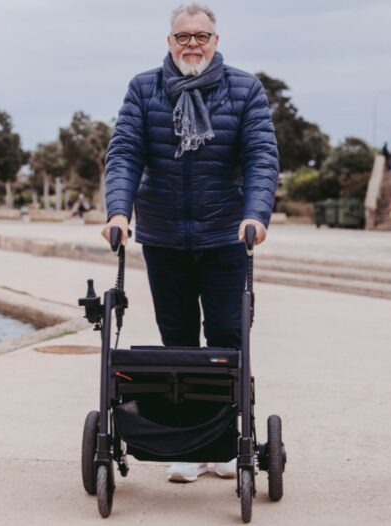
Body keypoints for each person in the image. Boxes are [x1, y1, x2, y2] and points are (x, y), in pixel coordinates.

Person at [102, 3, 279, 483]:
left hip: (226, 236)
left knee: (226, 339)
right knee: (177, 343)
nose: (192, 44)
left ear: (216, 41)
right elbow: (124, 153)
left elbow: (262, 155)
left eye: (202, 36)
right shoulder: (144, 88)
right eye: (183, 37)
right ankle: (186, 444)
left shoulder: (245, 89)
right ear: (169, 42)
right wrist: (118, 210)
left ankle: (223, 444)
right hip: (163, 237)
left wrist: (255, 215)